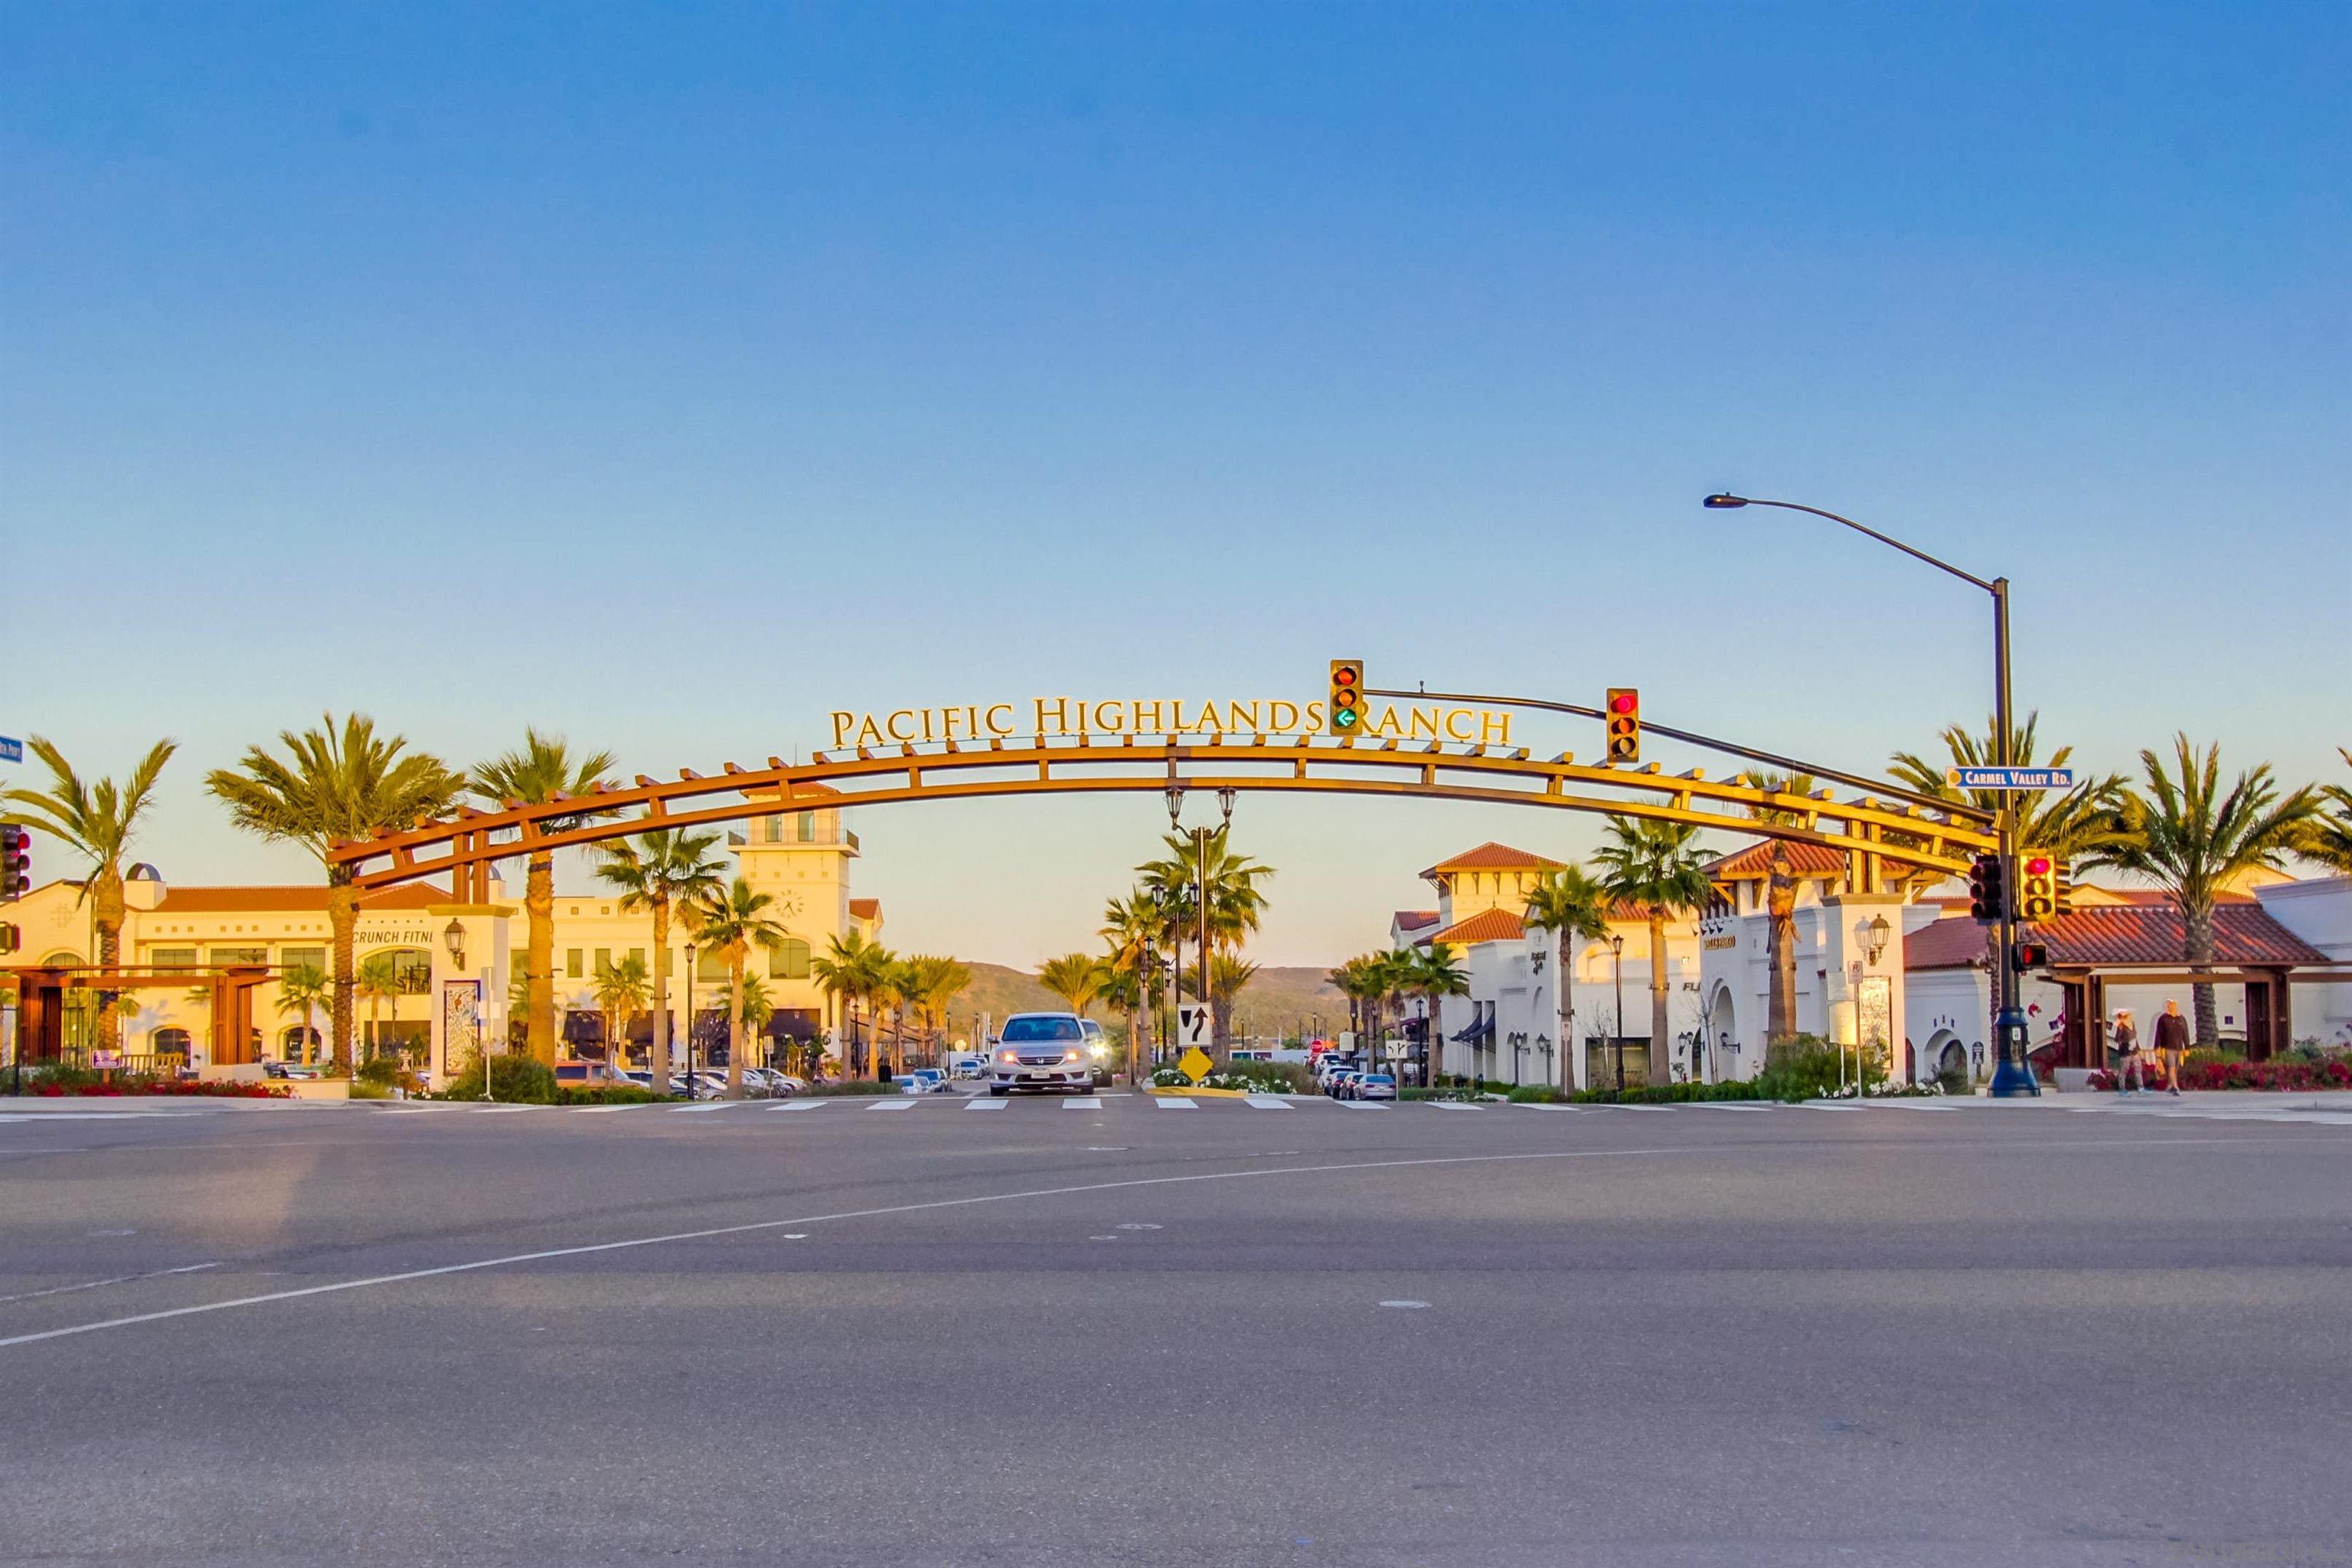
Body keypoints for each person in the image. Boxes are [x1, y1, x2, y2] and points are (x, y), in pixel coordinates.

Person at [2151, 998, 2189, 1096]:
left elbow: (2185, 1033)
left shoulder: (2181, 1019)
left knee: (2175, 1068)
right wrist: (2157, 1047)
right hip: (2167, 1047)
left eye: (2171, 1004)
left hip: (2179, 1048)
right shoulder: (2163, 1018)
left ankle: (2169, 1086)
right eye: (2168, 1004)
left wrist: (2187, 1047)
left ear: (2176, 1005)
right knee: (2171, 1066)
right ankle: (2175, 1087)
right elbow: (2158, 1033)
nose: (2169, 1006)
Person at [2111, 1008, 2147, 1095]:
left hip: (2134, 1051)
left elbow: (2134, 1037)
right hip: (2126, 1052)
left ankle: (2141, 1088)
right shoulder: (2121, 1026)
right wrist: (2121, 1033)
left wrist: (2138, 1049)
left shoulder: (2132, 1024)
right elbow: (2117, 1039)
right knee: (2124, 1070)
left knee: (2138, 1069)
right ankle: (2122, 1089)